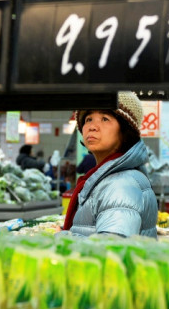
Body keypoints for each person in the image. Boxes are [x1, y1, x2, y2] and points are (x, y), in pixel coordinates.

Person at [62, 91, 158, 238]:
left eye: (105, 119)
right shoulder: (113, 177)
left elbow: (111, 248)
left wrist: (62, 237)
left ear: (125, 131)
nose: (92, 126)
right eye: (88, 119)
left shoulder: (120, 185)